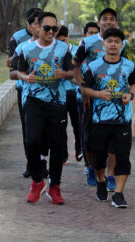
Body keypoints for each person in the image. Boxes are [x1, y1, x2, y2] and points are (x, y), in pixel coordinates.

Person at [17, 12, 75, 205]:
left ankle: (55, 187)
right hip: (33, 101)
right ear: (38, 28)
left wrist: (63, 74)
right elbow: (15, 72)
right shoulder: (26, 49)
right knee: (31, 142)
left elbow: (72, 73)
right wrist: (26, 78)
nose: (51, 32)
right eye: (47, 28)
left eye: (54, 28)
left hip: (57, 103)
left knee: (57, 147)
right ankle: (37, 181)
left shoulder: (63, 48)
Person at [81, 27, 135, 208]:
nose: (113, 44)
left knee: (123, 157)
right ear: (103, 44)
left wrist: (130, 95)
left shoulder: (129, 65)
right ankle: (100, 180)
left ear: (122, 45)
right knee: (98, 159)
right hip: (100, 120)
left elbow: (134, 83)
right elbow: (84, 88)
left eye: (117, 42)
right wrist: (97, 94)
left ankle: (119, 195)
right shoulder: (94, 67)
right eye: (110, 41)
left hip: (122, 120)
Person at [74, 8, 126, 190]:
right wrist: (84, 90)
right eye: (105, 19)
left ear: (116, 23)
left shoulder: (122, 43)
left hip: (113, 100)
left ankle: (110, 175)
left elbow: (125, 69)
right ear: (99, 22)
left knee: (112, 141)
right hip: (91, 99)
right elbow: (76, 65)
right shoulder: (87, 43)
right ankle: (90, 167)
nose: (108, 22)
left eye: (112, 19)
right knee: (89, 140)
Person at [9, 10, 49, 180]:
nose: (38, 27)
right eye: (35, 23)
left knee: (46, 130)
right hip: (26, 92)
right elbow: (11, 66)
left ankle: (42, 162)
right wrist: (23, 74)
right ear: (29, 24)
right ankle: (31, 163)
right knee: (29, 130)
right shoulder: (19, 41)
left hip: (50, 95)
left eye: (42, 24)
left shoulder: (55, 46)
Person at [55, 26, 83, 164]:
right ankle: (62, 155)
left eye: (63, 40)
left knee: (77, 124)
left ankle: (79, 149)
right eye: (58, 40)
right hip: (59, 94)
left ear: (68, 37)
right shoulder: (53, 51)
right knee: (61, 125)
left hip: (74, 93)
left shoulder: (77, 51)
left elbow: (80, 71)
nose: (61, 42)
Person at [77, 22, 100, 174]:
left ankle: (101, 165)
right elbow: (74, 70)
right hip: (83, 99)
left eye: (95, 33)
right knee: (86, 133)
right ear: (85, 35)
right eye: (90, 32)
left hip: (103, 100)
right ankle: (88, 164)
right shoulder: (81, 52)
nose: (92, 35)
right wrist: (83, 89)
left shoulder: (102, 53)